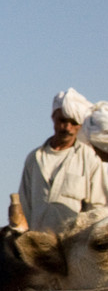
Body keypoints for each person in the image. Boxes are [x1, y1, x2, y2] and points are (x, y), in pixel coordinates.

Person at [18, 88, 108, 231]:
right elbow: (25, 204)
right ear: (53, 118)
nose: (67, 128)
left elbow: (98, 208)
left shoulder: (90, 157)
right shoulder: (34, 158)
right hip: (37, 242)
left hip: (74, 245)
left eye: (73, 122)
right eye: (63, 121)